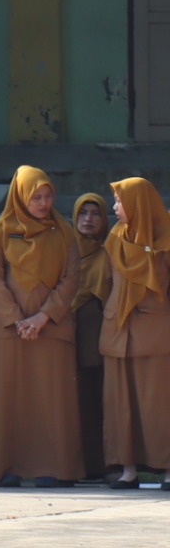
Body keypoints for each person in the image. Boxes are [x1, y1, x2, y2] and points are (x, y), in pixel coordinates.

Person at [0, 165, 83, 487]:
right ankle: (8, 466)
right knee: (9, 399)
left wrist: (42, 317)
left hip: (51, 327)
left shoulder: (64, 231)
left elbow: (71, 279)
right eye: (35, 197)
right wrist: (15, 319)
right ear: (20, 197)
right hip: (10, 330)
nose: (43, 203)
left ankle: (54, 467)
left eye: (47, 196)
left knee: (51, 400)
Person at [100, 177, 170, 485]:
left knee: (159, 404)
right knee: (120, 404)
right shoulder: (115, 237)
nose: (115, 208)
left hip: (155, 332)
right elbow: (106, 283)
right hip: (119, 331)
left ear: (137, 203)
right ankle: (127, 470)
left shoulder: (165, 239)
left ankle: (167, 467)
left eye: (119, 201)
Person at [72, 191, 110, 478]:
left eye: (95, 213)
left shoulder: (108, 252)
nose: (88, 219)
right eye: (83, 213)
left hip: (97, 336)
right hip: (64, 332)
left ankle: (101, 464)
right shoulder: (64, 251)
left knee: (98, 399)